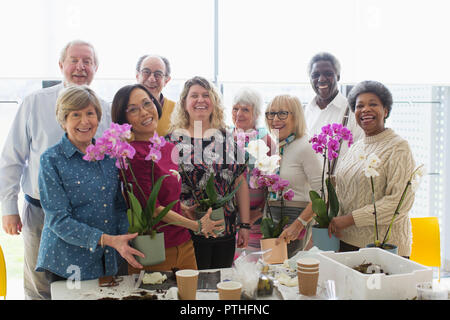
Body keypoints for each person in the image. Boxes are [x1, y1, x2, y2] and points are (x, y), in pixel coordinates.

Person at [0, 40, 111, 300]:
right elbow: (12, 158)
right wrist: (8, 208)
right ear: (61, 65)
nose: (80, 67)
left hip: (88, 217)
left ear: (96, 67)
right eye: (74, 60)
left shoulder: (105, 109)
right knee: (40, 286)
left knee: (82, 288)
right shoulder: (34, 103)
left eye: (87, 61)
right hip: (40, 212)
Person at [36, 85, 144, 287]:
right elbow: (58, 219)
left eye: (90, 113)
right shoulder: (51, 160)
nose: (84, 121)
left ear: (98, 117)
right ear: (63, 120)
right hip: (67, 263)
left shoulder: (110, 155)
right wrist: (108, 240)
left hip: (110, 259)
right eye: (75, 114)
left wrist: (124, 239)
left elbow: (119, 205)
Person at [110, 84, 223, 274]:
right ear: (124, 119)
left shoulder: (168, 148)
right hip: (153, 249)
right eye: (133, 110)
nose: (145, 112)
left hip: (184, 243)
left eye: (147, 103)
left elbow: (164, 196)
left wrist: (183, 208)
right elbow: (151, 208)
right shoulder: (132, 155)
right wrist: (197, 225)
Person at [168, 76, 250, 269]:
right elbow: (165, 191)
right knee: (191, 288)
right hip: (187, 230)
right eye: (194, 95)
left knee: (220, 285)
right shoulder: (171, 142)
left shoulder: (227, 138)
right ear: (184, 103)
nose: (200, 100)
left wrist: (245, 225)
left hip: (225, 230)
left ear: (213, 103)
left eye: (206, 95)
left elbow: (240, 182)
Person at [328, 80, 415, 257]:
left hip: (386, 247)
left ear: (386, 110)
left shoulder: (398, 147)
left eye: (373, 104)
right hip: (347, 243)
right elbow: (343, 193)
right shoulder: (355, 148)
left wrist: (349, 220)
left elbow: (399, 203)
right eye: (360, 106)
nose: (365, 109)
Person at [265, 95, 322, 257]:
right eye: (271, 114)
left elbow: (322, 193)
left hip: (296, 219)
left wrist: (299, 224)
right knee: (274, 271)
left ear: (296, 116)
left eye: (282, 113)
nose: (275, 119)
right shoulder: (274, 146)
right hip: (271, 217)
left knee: (289, 274)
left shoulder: (306, 146)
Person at [231, 87, 275, 252]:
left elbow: (273, 181)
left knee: (252, 262)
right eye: (235, 108)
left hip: (257, 217)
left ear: (256, 114)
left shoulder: (266, 140)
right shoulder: (225, 138)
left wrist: (257, 213)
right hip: (230, 217)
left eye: (245, 109)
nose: (238, 113)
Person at [305, 52, 363, 173]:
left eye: (328, 74)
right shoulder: (305, 111)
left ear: (338, 76)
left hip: (338, 188)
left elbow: (360, 154)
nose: (321, 79)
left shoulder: (353, 112)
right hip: (308, 188)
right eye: (315, 75)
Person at [136, 54, 175, 136]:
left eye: (158, 74)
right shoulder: (124, 108)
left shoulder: (177, 111)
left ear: (166, 80)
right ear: (137, 76)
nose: (151, 79)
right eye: (146, 72)